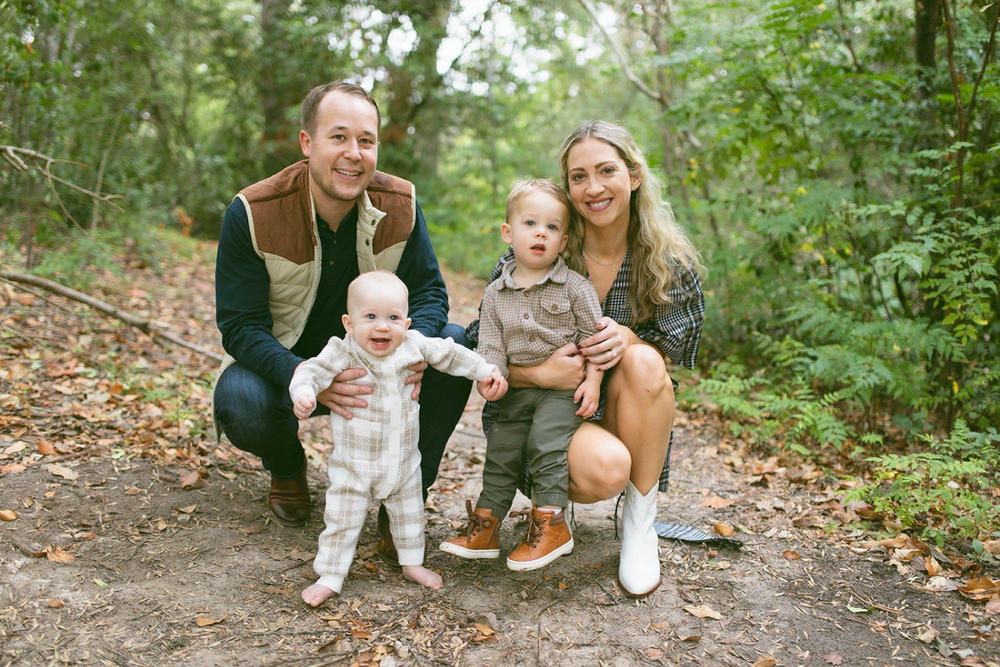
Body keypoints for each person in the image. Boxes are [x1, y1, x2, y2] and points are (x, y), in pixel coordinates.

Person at [213, 82, 472, 557]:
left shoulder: (402, 205)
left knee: (453, 344)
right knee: (239, 398)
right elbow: (240, 325)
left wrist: (412, 346)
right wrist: (302, 374)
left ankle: (406, 499)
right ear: (307, 144)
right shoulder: (253, 211)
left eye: (366, 140)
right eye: (338, 137)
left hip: (381, 363)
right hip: (290, 367)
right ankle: (287, 468)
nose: (354, 154)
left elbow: (431, 293)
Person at [466, 121, 705, 597]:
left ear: (633, 175)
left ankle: (640, 525)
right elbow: (480, 338)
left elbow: (674, 349)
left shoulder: (665, 260)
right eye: (578, 176)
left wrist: (630, 340)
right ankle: (553, 511)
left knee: (643, 362)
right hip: (539, 413)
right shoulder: (540, 244)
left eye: (606, 171)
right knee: (604, 469)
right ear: (568, 186)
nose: (593, 187)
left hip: (617, 407)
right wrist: (538, 371)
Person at [290, 271, 505, 606]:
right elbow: (310, 371)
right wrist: (304, 391)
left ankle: (412, 563)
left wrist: (485, 370)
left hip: (403, 462)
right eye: (371, 317)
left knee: (410, 515)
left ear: (406, 324)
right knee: (341, 521)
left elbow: (451, 354)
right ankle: (330, 575)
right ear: (349, 323)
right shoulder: (342, 352)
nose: (382, 327)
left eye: (393, 318)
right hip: (354, 466)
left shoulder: (413, 346)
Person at [439, 179, 604, 571]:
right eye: (531, 224)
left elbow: (595, 339)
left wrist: (593, 380)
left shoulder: (575, 288)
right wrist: (489, 375)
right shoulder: (496, 294)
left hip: (561, 394)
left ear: (563, 241)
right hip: (516, 393)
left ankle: (550, 523)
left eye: (552, 228)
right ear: (508, 233)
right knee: (501, 452)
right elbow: (492, 344)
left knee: (547, 444)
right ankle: (486, 526)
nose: (541, 234)